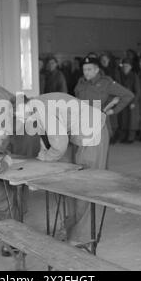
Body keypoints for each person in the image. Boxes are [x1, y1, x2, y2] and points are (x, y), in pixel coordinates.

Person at [16, 92, 109, 242]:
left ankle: (83, 237)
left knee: (87, 187)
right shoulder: (35, 106)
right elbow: (43, 136)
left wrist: (44, 157)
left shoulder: (43, 111)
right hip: (75, 133)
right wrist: (43, 154)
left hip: (93, 134)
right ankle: (70, 226)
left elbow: (59, 145)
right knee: (69, 184)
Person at [74, 56, 134, 142]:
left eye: (89, 69)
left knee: (97, 154)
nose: (86, 72)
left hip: (99, 127)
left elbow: (128, 95)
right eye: (84, 69)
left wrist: (114, 110)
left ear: (96, 70)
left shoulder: (106, 83)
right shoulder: (81, 83)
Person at [118, 58, 141, 143]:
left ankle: (131, 138)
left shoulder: (134, 76)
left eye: (127, 66)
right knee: (124, 119)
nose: (125, 68)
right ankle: (124, 137)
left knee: (132, 120)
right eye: (123, 66)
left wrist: (134, 102)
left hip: (131, 100)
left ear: (130, 67)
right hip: (123, 100)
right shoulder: (121, 75)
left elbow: (138, 91)